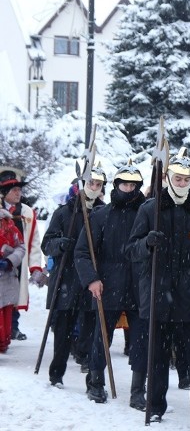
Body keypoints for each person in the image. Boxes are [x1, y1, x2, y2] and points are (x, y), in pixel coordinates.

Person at [127, 148, 190, 426]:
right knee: (157, 357)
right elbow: (131, 250)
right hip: (157, 295)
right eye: (176, 178)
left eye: (185, 179)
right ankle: (155, 407)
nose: (180, 184)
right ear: (167, 177)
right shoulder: (149, 209)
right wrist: (146, 244)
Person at [74, 161, 147, 405]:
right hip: (108, 283)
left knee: (141, 340)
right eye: (126, 184)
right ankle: (95, 382)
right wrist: (92, 279)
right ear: (116, 185)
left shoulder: (146, 214)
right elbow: (83, 252)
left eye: (134, 185)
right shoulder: (100, 215)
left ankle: (138, 390)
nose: (130, 188)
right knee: (101, 337)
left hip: (139, 286)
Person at [42, 165, 106, 387]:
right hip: (66, 277)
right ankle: (56, 371)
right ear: (82, 184)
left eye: (98, 185)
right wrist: (61, 244)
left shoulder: (103, 212)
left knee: (90, 325)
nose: (94, 188)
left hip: (90, 277)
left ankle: (87, 361)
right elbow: (46, 244)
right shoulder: (64, 213)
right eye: (91, 183)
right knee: (63, 329)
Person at [0, 169, 44, 341]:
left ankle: (13, 327)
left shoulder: (27, 212)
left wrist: (35, 266)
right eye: (14, 190)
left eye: (19, 190)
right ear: (4, 193)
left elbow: (33, 241)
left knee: (15, 293)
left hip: (18, 260)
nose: (18, 193)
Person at [0, 207, 25, 352]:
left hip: (6, 276)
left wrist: (10, 261)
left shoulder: (9, 225)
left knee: (5, 310)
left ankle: (3, 341)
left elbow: (20, 247)